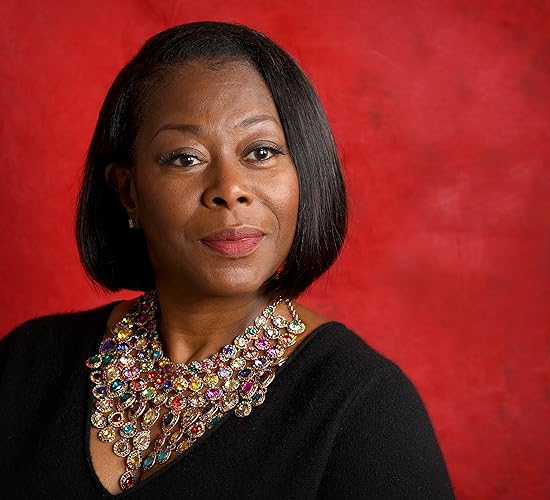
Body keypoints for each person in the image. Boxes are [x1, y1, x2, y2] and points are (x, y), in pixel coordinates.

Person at [0, 21, 454, 498]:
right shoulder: (26, 365)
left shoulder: (365, 407)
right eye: (185, 158)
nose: (230, 189)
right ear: (128, 192)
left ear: (304, 173)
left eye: (261, 152)